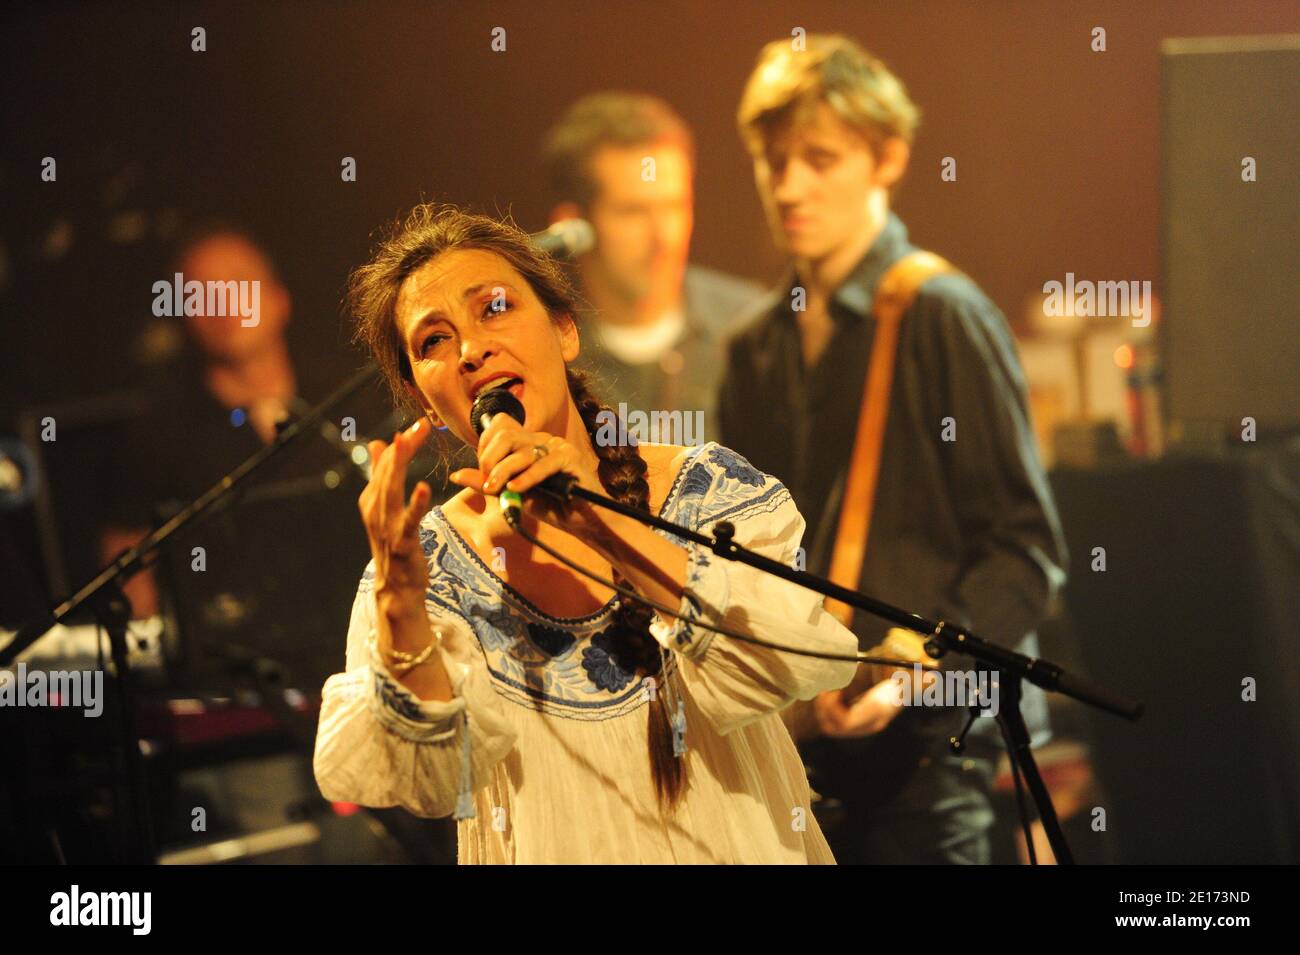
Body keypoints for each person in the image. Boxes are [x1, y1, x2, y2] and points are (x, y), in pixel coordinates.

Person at [313, 203, 864, 864]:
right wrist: (402, 605)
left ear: (565, 329)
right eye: (433, 339)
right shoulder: (428, 564)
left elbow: (791, 664)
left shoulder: (706, 489)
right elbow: (430, 781)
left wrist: (600, 515)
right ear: (423, 397)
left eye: (493, 308)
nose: (470, 350)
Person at [718, 35, 1069, 863]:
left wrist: (919, 668)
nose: (791, 185)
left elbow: (1025, 548)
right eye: (773, 161)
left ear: (889, 159)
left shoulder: (943, 312)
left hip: (929, 744)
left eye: (820, 158)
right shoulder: (749, 347)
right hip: (798, 740)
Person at [98, 225, 394, 619]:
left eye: (239, 283)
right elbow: (128, 565)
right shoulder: (159, 433)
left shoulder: (355, 398)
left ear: (278, 300)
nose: (223, 303)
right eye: (201, 292)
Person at [542, 92, 763, 445]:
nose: (664, 236)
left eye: (675, 206)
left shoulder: (753, 328)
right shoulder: (540, 352)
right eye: (633, 211)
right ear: (572, 226)